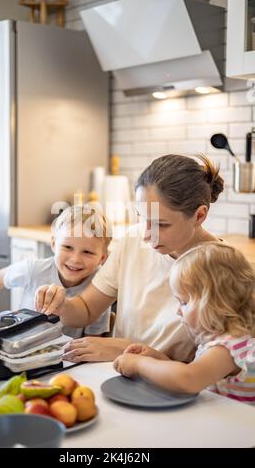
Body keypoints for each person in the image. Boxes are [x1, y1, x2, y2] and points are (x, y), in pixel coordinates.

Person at [35, 154, 224, 363]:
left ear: (199, 216)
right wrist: (62, 305)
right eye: (142, 218)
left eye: (161, 224)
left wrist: (128, 351)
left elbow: (213, 371)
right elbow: (87, 310)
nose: (145, 235)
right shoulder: (133, 239)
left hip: (171, 390)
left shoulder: (221, 270)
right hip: (117, 374)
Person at [114, 242, 255, 403]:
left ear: (214, 301)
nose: (178, 311)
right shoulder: (227, 339)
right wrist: (158, 359)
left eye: (184, 302)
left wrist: (140, 365)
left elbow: (189, 379)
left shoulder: (229, 346)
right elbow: (195, 374)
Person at [0, 206, 112, 339]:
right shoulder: (34, 270)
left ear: (102, 258)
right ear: (53, 244)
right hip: (19, 344)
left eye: (87, 252)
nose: (75, 259)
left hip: (64, 359)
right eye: (67, 247)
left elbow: (94, 338)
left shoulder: (101, 290)